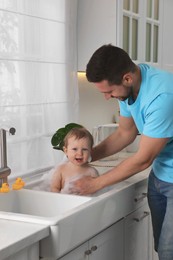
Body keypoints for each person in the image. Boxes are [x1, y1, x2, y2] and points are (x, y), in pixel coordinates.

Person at [70, 44, 173, 260]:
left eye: (108, 92)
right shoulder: (129, 90)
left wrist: (95, 184)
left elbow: (143, 159)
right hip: (161, 175)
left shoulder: (163, 96)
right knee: (161, 249)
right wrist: (88, 155)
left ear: (126, 78)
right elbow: (124, 133)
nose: (107, 97)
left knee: (168, 252)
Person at [50, 127, 98, 193]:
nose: (80, 153)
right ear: (66, 151)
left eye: (84, 149)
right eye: (75, 149)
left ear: (90, 151)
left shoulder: (92, 172)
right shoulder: (61, 169)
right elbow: (54, 188)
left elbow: (97, 192)